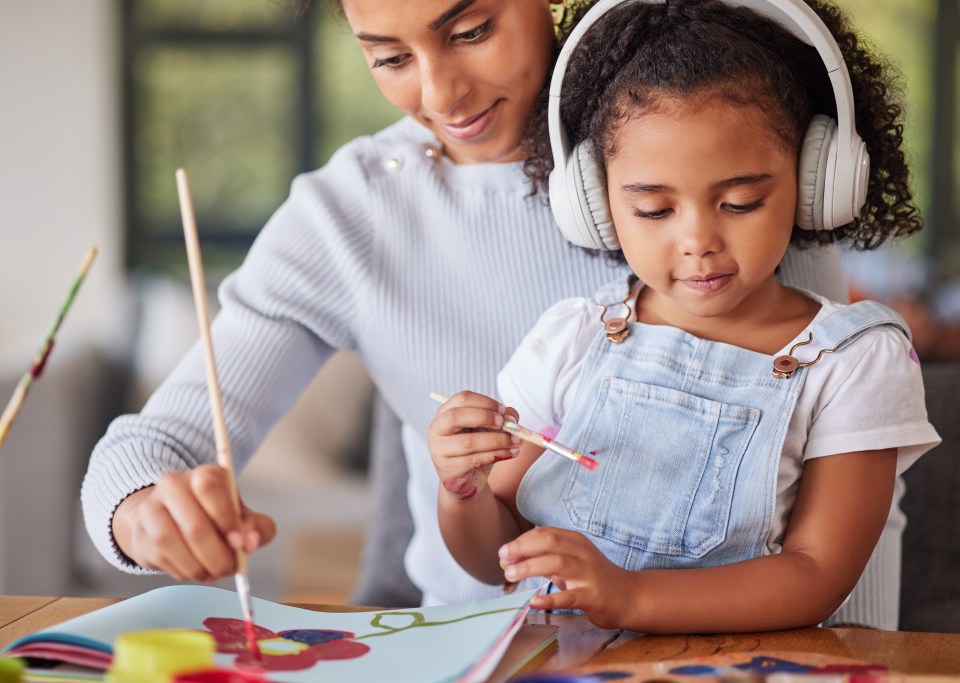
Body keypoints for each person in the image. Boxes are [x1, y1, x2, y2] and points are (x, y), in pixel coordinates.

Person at [81, 0, 874, 621]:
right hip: (484, 639)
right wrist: (144, 512)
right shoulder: (345, 217)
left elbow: (842, 482)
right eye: (389, 57)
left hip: (749, 638)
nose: (440, 93)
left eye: (470, 29)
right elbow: (155, 444)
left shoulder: (715, 138)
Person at [428, 0, 940, 632]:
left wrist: (632, 596)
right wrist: (463, 491)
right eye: (653, 210)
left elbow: (816, 575)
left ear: (815, 180)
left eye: (741, 201)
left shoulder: (853, 361)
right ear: (594, 202)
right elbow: (496, 559)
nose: (698, 240)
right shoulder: (573, 339)